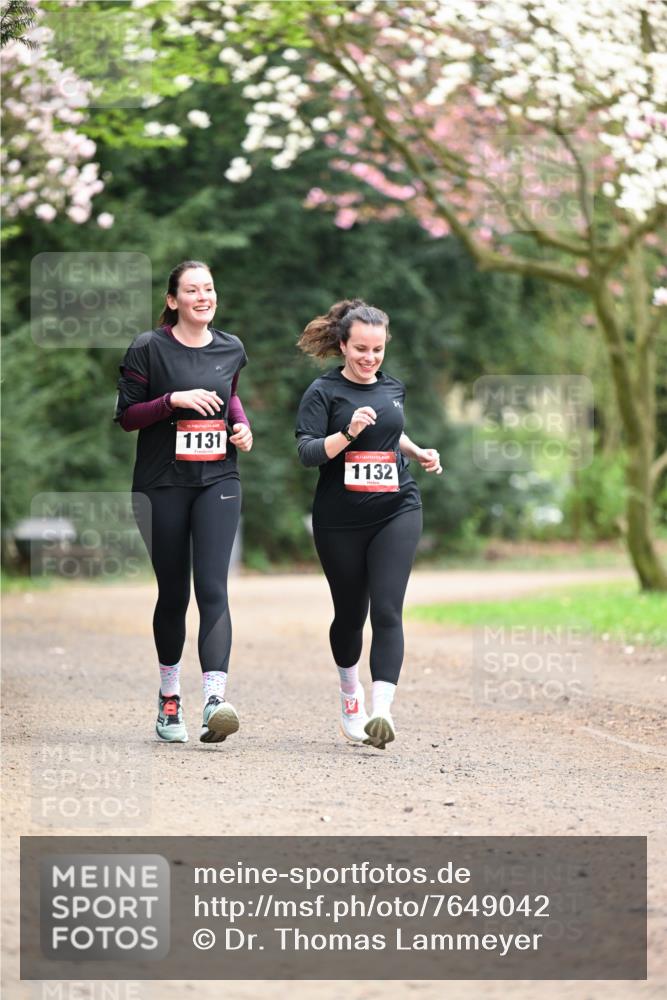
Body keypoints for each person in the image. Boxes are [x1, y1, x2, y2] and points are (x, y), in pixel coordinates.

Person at [115, 260, 252, 745]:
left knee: (213, 587)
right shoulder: (148, 347)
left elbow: (229, 396)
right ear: (173, 300)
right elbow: (127, 416)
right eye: (192, 290)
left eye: (208, 288)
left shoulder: (231, 347)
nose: (203, 297)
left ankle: (214, 701)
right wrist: (172, 400)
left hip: (219, 479)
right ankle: (170, 698)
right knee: (174, 594)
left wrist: (242, 425)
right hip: (161, 484)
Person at [295, 299, 442, 750]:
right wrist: (348, 433)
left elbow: (391, 433)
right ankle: (350, 695)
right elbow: (307, 453)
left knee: (387, 610)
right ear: (343, 345)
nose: (370, 358)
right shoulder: (322, 392)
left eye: (377, 350)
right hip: (340, 520)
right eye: (361, 349)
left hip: (396, 507)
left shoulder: (393, 387)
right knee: (350, 615)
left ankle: (382, 712)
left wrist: (417, 451)